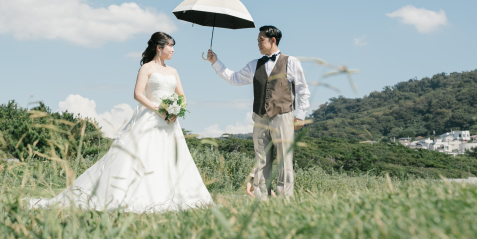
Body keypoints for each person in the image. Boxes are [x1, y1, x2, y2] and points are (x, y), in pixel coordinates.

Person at [28, 32, 213, 212]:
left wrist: (176, 111)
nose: (173, 50)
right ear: (159, 48)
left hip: (170, 123)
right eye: (170, 46)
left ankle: (175, 196)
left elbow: (182, 96)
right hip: (150, 117)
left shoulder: (173, 71)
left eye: (173, 46)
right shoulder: (146, 68)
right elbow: (137, 94)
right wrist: (159, 110)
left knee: (172, 159)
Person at [206, 25, 310, 199]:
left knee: (284, 160)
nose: (258, 44)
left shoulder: (291, 62)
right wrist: (215, 62)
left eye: (261, 40)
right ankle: (261, 201)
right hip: (260, 118)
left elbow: (303, 90)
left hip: (284, 116)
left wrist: (301, 115)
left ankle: (285, 201)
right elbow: (234, 78)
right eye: (258, 41)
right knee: (261, 161)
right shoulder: (254, 64)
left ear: (273, 40)